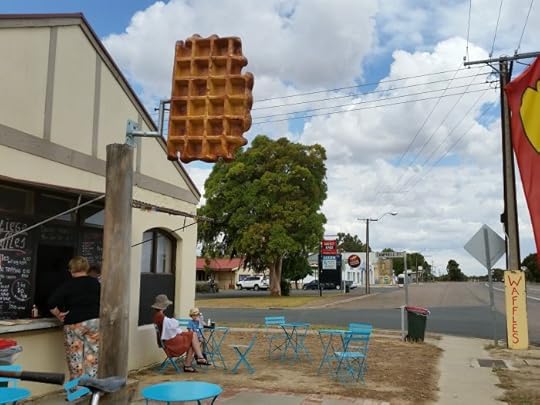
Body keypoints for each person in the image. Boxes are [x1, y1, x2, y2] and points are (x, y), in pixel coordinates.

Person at [48, 256, 100, 379]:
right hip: (94, 322)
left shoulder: (68, 284)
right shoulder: (95, 283)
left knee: (75, 358)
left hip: (74, 323)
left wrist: (59, 315)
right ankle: (91, 386)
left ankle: (77, 389)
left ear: (71, 269)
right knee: (92, 356)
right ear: (86, 268)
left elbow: (51, 303)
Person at [152, 294, 210, 372]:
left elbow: (170, 326)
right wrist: (174, 321)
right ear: (163, 306)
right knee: (193, 335)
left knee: (192, 338)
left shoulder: (158, 316)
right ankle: (198, 358)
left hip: (167, 341)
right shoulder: (160, 316)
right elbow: (173, 324)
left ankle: (189, 364)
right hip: (170, 344)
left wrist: (174, 322)